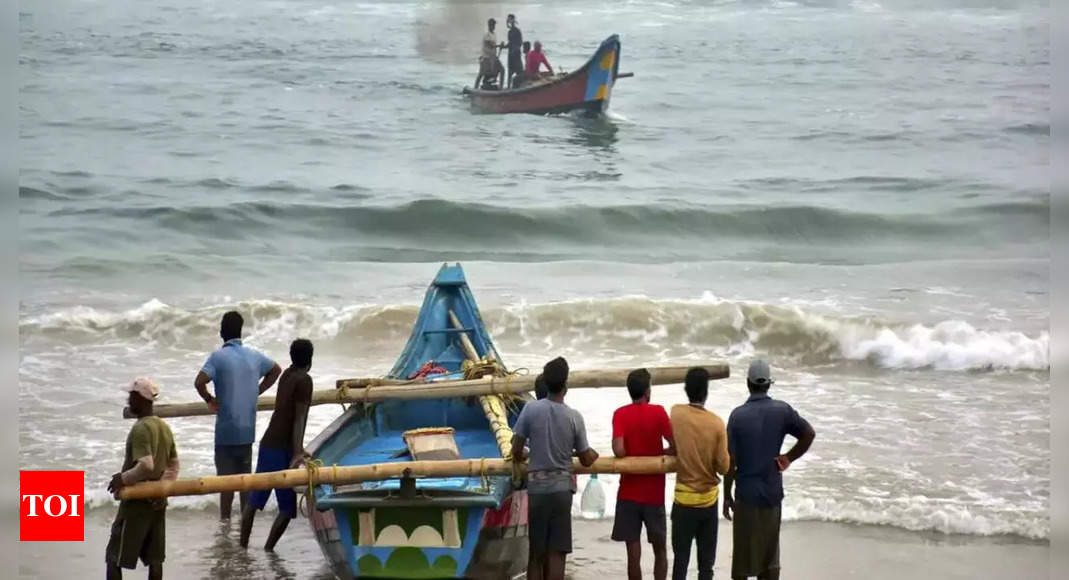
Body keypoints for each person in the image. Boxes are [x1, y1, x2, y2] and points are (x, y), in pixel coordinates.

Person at [723, 360, 816, 580]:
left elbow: (730, 462)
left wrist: (727, 495)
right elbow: (809, 433)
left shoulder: (737, 416)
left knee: (742, 562)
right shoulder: (782, 411)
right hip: (772, 494)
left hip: (746, 496)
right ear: (768, 385)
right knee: (770, 559)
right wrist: (788, 457)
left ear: (748, 384)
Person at [511, 357, 599, 580]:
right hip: (561, 492)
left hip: (538, 490)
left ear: (545, 384)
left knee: (535, 554)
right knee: (557, 553)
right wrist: (592, 453)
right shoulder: (574, 417)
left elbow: (516, 449)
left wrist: (524, 455)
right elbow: (586, 458)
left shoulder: (530, 410)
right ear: (565, 386)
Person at [194, 311, 281, 520]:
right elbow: (276, 370)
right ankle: (244, 526)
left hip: (226, 431)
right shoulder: (254, 356)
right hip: (247, 431)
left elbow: (199, 382)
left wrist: (209, 399)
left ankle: (225, 526)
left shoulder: (217, 357)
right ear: (240, 332)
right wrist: (256, 391)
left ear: (222, 332)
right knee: (244, 484)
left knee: (226, 486)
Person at [239, 338, 315, 550]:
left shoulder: (287, 375)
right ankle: (268, 549)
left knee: (254, 502)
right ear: (310, 359)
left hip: (268, 444)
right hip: (282, 449)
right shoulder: (304, 380)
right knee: (287, 508)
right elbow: (299, 417)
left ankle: (242, 548)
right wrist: (298, 451)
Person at [106, 378, 180, 580]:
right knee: (155, 559)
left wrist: (123, 478)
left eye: (132, 396)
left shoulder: (140, 428)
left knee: (114, 556)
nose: (129, 400)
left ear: (141, 399)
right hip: (157, 502)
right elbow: (174, 465)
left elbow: (146, 465)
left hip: (136, 505)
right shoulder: (163, 427)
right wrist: (160, 489)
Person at [611, 368, 674, 580]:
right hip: (654, 494)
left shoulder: (620, 414)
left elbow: (619, 450)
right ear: (647, 390)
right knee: (660, 550)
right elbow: (676, 445)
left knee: (633, 555)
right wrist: (659, 453)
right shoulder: (658, 412)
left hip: (628, 492)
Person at [669, 367, 730, 580]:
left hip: (683, 500)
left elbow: (674, 444)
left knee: (680, 562)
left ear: (686, 389)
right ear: (706, 392)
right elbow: (723, 467)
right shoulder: (716, 423)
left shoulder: (675, 413)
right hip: (707, 503)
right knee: (706, 566)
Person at [475, 18, 505, 89]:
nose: (494, 26)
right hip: (486, 58)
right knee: (481, 73)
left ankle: (501, 87)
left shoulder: (494, 34)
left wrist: (501, 46)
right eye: (493, 25)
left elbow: (494, 47)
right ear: (489, 25)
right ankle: (475, 88)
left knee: (502, 70)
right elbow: (490, 45)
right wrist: (499, 46)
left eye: (494, 25)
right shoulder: (487, 35)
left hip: (493, 58)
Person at [505, 14, 524, 88]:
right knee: (510, 72)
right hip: (510, 55)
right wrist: (503, 46)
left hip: (516, 55)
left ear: (513, 20)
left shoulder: (517, 31)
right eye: (508, 19)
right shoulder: (509, 32)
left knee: (519, 72)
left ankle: (520, 87)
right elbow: (510, 43)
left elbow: (520, 43)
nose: (508, 21)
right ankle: (509, 88)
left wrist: (515, 49)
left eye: (510, 19)